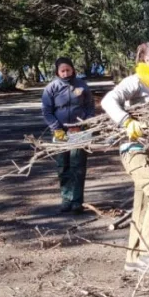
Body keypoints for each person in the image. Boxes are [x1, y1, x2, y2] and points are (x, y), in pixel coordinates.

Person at [101, 40, 149, 273]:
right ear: (147, 60)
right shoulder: (135, 81)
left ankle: (133, 259)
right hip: (134, 149)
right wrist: (127, 121)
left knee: (144, 203)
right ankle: (148, 255)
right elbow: (107, 100)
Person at [41, 57, 95, 213]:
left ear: (73, 69)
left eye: (68, 70)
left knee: (78, 165)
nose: (65, 73)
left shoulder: (82, 85)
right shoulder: (51, 88)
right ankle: (66, 199)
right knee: (62, 165)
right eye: (62, 71)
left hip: (80, 132)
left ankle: (77, 201)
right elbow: (47, 111)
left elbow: (90, 107)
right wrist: (57, 128)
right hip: (60, 133)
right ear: (57, 72)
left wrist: (83, 124)